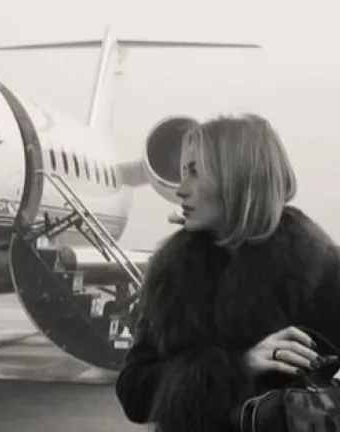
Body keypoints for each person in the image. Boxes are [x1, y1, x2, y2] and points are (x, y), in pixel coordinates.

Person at [115, 113, 340, 432]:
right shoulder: (172, 276)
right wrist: (238, 366)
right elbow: (133, 395)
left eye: (194, 173)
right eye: (183, 172)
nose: (181, 189)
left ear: (239, 178)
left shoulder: (324, 272)